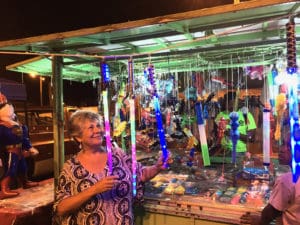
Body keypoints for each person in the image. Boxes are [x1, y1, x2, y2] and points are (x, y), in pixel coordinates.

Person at [53, 109, 172, 225]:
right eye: (91, 127)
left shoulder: (117, 154)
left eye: (99, 126)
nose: (98, 130)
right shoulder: (71, 168)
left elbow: (141, 174)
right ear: (78, 137)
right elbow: (61, 208)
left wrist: (157, 167)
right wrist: (94, 189)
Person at [240, 109, 300, 225]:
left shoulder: (287, 180)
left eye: (288, 147)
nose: (282, 150)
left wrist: (259, 220)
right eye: (283, 144)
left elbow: (271, 212)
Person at [0, 92, 39, 199]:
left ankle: (25, 182)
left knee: (23, 167)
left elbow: (24, 137)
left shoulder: (17, 124)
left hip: (19, 149)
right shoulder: (2, 126)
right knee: (11, 169)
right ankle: (4, 189)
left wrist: (29, 147)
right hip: (9, 151)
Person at [214, 91, 257, 158]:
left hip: (239, 153)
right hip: (223, 152)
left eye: (231, 103)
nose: (229, 106)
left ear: (237, 102)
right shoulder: (221, 115)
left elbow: (251, 138)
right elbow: (216, 134)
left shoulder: (246, 115)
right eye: (227, 103)